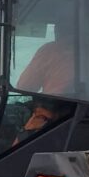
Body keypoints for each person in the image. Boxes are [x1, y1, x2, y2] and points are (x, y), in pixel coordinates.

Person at [13, 15, 76, 143]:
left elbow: (24, 86)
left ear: (59, 30)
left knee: (14, 152)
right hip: (84, 116)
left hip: (52, 115)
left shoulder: (50, 51)